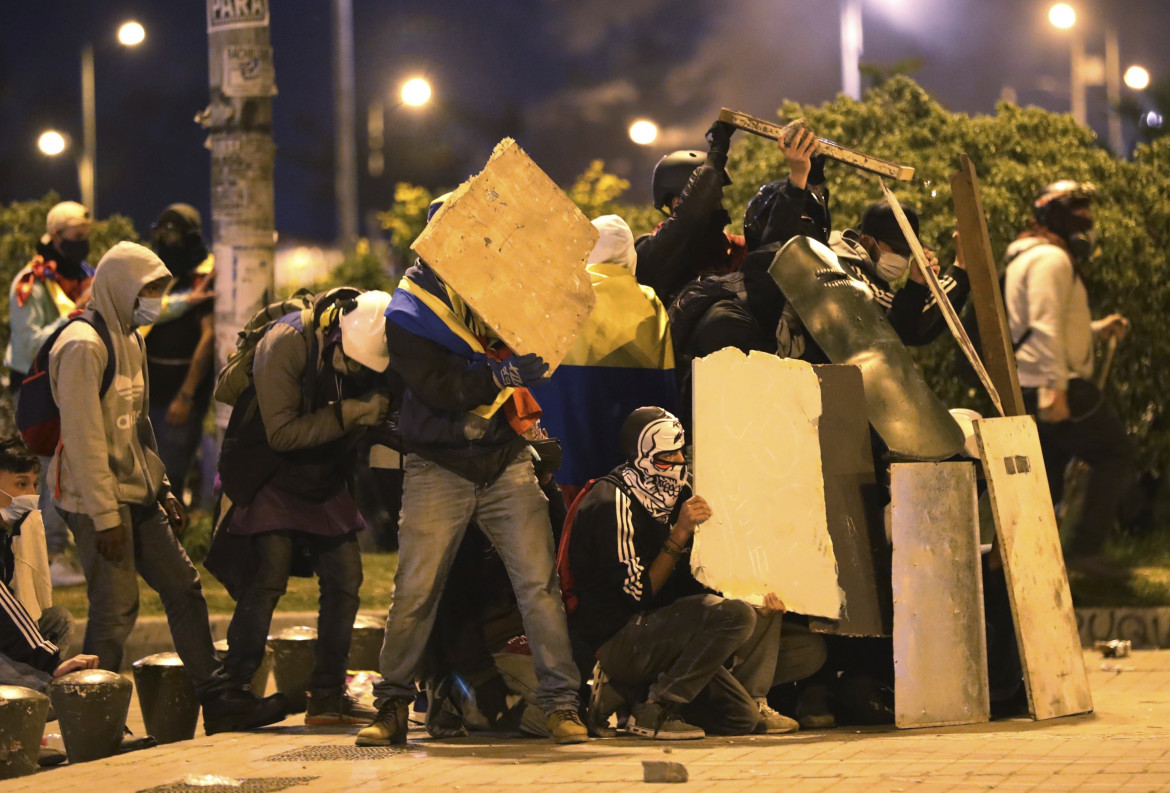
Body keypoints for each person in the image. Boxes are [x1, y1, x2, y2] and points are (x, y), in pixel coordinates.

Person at [358, 201, 588, 746]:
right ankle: (391, 704)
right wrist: (500, 373)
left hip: (502, 457)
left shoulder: (495, 291)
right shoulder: (408, 311)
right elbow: (441, 390)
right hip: (438, 464)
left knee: (539, 586)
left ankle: (561, 704)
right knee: (416, 589)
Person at [48, 241, 283, 733]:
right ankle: (94, 720)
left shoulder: (131, 338)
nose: (153, 299)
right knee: (115, 612)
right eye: (147, 290)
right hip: (94, 502)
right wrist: (106, 518)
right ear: (119, 287)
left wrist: (164, 487)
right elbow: (85, 440)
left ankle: (219, 704)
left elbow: (139, 428)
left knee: (183, 586)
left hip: (138, 493)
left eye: (158, 289)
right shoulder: (82, 346)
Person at [564, 407, 823, 739]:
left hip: (672, 634)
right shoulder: (613, 499)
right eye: (665, 455)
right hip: (619, 638)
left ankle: (638, 694)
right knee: (735, 616)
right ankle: (657, 707)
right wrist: (680, 533)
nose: (677, 463)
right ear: (641, 456)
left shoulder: (681, 495)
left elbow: (701, 578)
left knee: (743, 716)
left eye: (679, 452)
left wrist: (753, 596)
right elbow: (636, 595)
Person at [213, 289, 391, 726]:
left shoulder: (376, 342)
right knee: (267, 575)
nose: (356, 373)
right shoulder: (286, 342)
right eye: (351, 363)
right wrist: (352, 412)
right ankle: (233, 693)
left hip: (323, 473)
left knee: (346, 576)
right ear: (334, 332)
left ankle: (327, 695)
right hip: (270, 471)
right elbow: (281, 434)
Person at [1004, 181, 1133, 575]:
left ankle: (1038, 567)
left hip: (1034, 381)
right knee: (1117, 453)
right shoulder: (1051, 260)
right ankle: (1085, 549)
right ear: (1055, 217)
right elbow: (1044, 328)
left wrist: (1094, 329)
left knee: (1048, 480)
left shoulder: (1029, 255)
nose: (1087, 222)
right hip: (1054, 384)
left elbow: (1046, 322)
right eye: (1079, 213)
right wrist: (1055, 390)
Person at [532, 215, 677, 501]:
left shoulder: (560, 300)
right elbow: (664, 386)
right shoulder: (650, 302)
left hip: (566, 465)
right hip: (631, 472)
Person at [6, 201, 94, 587]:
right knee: (42, 472)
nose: (83, 245)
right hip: (33, 387)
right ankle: (48, 556)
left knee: (61, 468)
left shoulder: (84, 274)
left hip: (64, 383)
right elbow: (29, 344)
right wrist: (75, 311)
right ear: (56, 236)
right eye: (77, 238)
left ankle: (54, 553)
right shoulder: (32, 281)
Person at [144, 204, 216, 505]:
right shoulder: (153, 274)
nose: (165, 241)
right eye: (162, 233)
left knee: (169, 481)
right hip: (146, 395)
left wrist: (185, 395)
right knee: (142, 480)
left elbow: (208, 338)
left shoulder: (205, 278)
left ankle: (169, 548)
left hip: (180, 400)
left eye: (173, 235)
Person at [634, 122, 749, 306]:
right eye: (712, 198)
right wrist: (717, 154)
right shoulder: (652, 253)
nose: (719, 206)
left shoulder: (735, 248)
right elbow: (689, 219)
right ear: (677, 203)